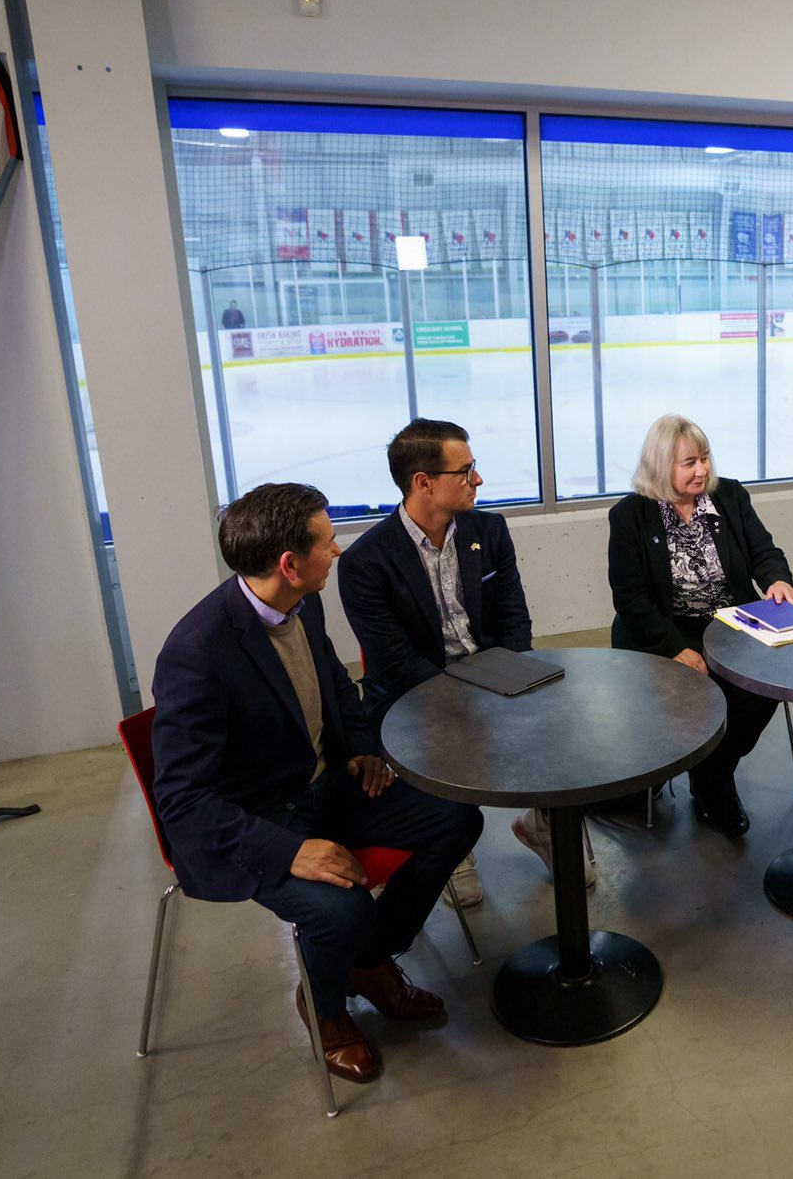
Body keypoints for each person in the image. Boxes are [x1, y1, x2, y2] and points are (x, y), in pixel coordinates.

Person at [152, 482, 482, 1085]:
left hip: (325, 785)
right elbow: (183, 802)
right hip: (260, 819)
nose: (339, 550)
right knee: (341, 911)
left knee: (457, 818)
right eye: (328, 542)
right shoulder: (197, 652)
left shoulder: (307, 601)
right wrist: (290, 850)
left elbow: (335, 684)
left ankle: (366, 964)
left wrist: (359, 749)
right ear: (289, 563)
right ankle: (326, 1010)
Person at [338, 420, 551, 899]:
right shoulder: (365, 563)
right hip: (413, 693)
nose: (478, 480)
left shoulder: (489, 530)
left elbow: (514, 621)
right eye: (467, 470)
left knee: (555, 714)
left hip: (492, 674)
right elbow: (394, 660)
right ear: (423, 483)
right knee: (446, 731)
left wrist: (516, 679)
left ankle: (547, 824)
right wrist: (468, 700)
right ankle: (453, 844)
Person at [607, 414, 793, 837]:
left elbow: (764, 552)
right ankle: (697, 775)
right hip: (661, 631)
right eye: (690, 462)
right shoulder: (630, 516)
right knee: (687, 692)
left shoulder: (729, 496)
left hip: (730, 623)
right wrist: (673, 646)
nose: (703, 470)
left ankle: (713, 774)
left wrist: (777, 580)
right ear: (662, 466)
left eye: (705, 458)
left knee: (767, 680)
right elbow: (631, 599)